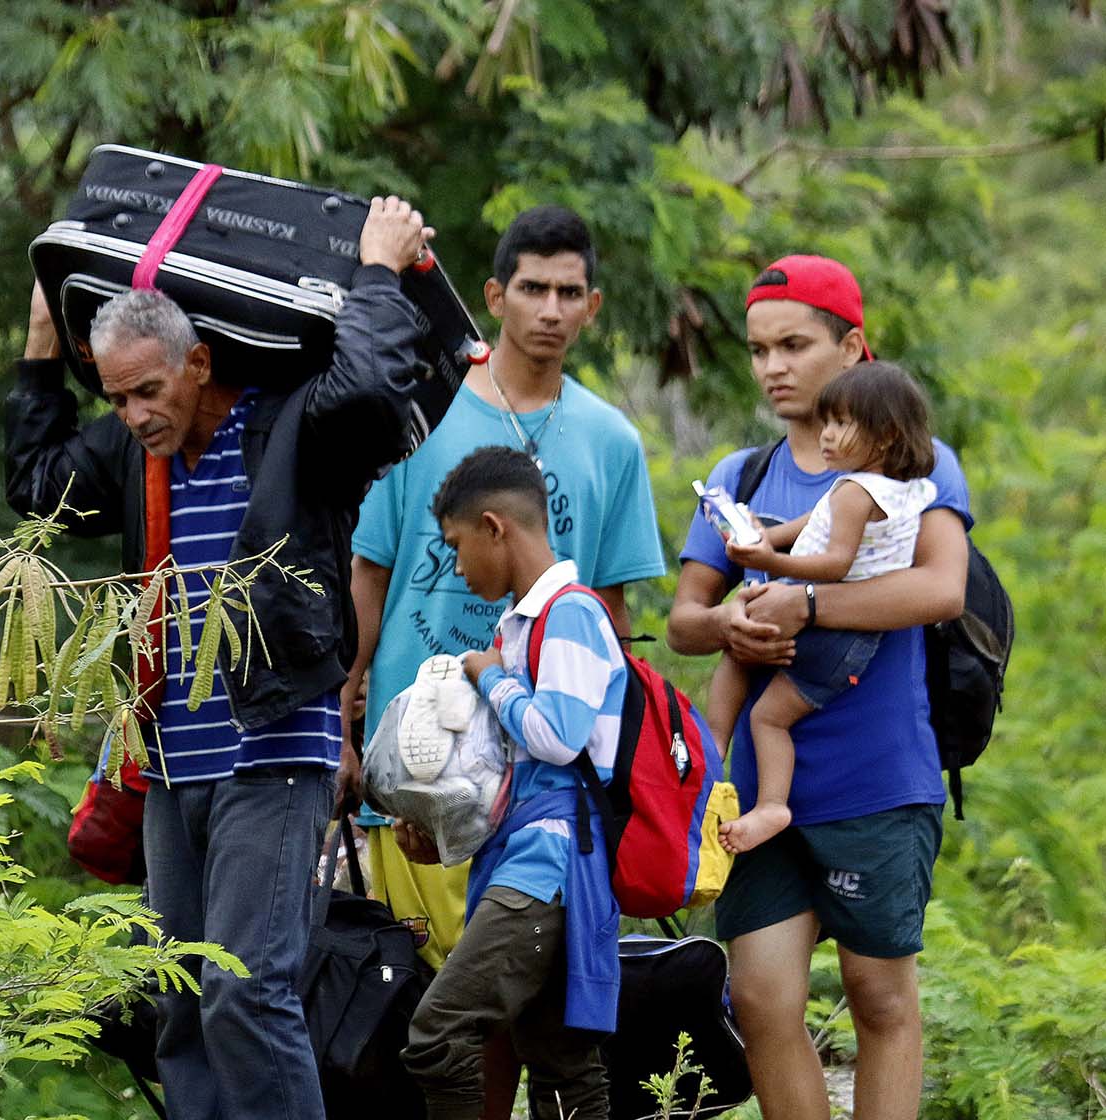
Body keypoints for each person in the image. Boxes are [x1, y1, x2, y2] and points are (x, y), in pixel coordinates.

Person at [5, 197, 432, 1120]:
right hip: (169, 763)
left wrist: (379, 271)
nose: (133, 413)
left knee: (247, 992)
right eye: (115, 396)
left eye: (148, 391)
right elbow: (35, 486)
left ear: (199, 362)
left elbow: (368, 391)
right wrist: (43, 338)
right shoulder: (137, 456)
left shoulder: (288, 428)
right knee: (181, 1003)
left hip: (272, 750)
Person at [337, 204, 664, 1110]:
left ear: (592, 306)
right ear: (494, 295)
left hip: (540, 805)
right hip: (421, 768)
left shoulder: (612, 443)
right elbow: (368, 573)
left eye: (570, 292)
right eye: (532, 288)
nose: (551, 309)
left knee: (506, 1026)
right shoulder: (418, 419)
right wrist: (346, 718)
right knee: (440, 1007)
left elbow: (616, 633)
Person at [666, 255, 970, 1120]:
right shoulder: (743, 477)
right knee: (762, 1004)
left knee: (880, 1000)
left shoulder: (917, 463)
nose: (774, 368)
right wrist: (730, 623)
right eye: (760, 350)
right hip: (761, 792)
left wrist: (804, 600)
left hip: (876, 778)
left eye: (795, 345)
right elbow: (687, 617)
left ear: (853, 348)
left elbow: (940, 587)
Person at [393, 446, 620, 1120]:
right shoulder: (520, 627)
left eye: (458, 546)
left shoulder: (572, 613)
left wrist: (487, 674)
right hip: (525, 858)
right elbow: (511, 773)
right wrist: (443, 837)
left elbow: (557, 736)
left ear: (495, 527)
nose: (458, 567)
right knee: (560, 1066)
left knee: (437, 1035)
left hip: (549, 869)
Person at [706, 361, 939, 853]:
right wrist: (765, 535)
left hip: (829, 631)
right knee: (760, 691)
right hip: (852, 637)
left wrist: (769, 559)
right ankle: (735, 771)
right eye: (826, 422)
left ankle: (724, 763)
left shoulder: (856, 493)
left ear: (886, 435)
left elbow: (835, 562)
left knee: (760, 701)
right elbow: (808, 524)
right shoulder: (900, 490)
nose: (826, 435)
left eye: (841, 424)